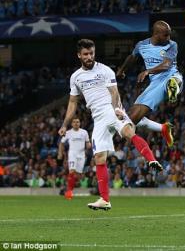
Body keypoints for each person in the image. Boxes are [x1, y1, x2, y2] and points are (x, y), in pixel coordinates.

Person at [59, 39, 162, 210]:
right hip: (98, 118)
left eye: (91, 53)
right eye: (85, 54)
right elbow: (72, 102)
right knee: (99, 157)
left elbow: (114, 93)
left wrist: (116, 110)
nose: (89, 57)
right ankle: (105, 199)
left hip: (111, 109)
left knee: (129, 132)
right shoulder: (75, 77)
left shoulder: (105, 70)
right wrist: (64, 124)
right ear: (79, 55)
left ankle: (151, 160)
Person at [116, 21, 182, 147]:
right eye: (166, 35)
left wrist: (148, 71)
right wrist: (122, 70)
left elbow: (167, 65)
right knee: (132, 117)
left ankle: (173, 89)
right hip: (155, 83)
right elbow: (132, 57)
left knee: (174, 80)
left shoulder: (172, 45)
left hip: (171, 75)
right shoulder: (142, 45)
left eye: (169, 35)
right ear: (156, 34)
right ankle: (163, 128)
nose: (169, 38)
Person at [58, 117, 91, 200]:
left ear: (80, 123)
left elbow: (87, 143)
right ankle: (69, 192)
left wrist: (90, 146)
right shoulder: (68, 133)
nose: (76, 123)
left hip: (81, 156)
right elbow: (61, 143)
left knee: (78, 175)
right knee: (72, 171)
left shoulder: (84, 132)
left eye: (77, 122)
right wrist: (60, 153)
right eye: (74, 122)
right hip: (72, 155)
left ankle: (69, 189)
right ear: (72, 124)